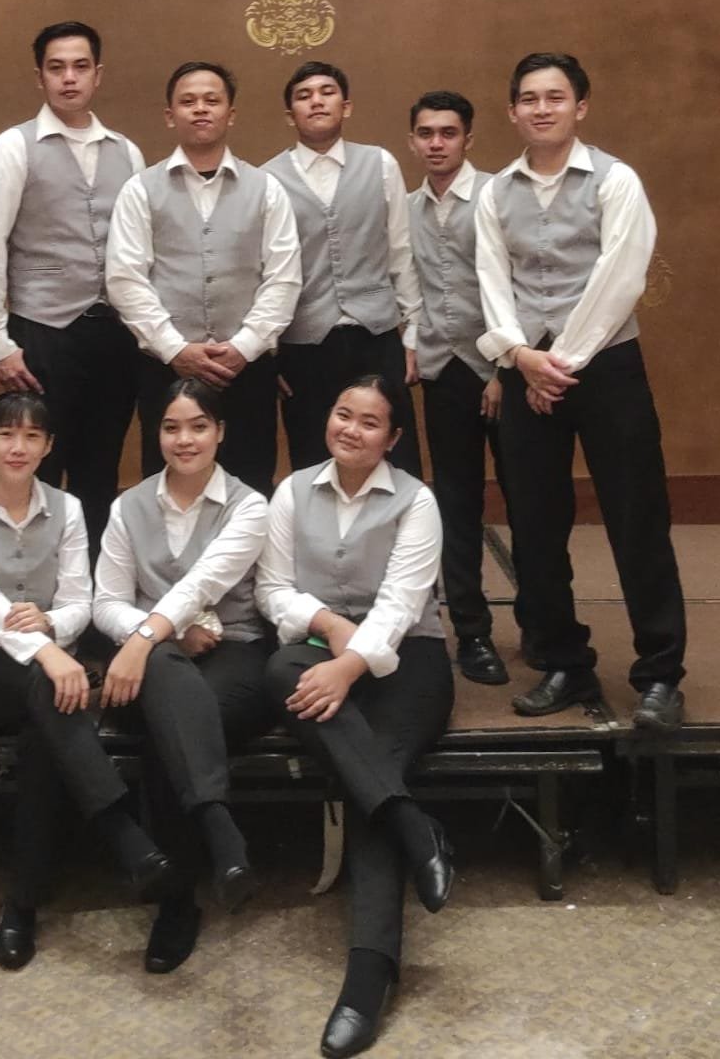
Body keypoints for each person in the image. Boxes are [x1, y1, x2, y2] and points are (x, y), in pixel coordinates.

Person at [0, 392, 176, 971]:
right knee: (49, 691)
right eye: (6, 434)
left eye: (32, 436)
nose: (18, 447)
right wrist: (50, 652)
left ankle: (22, 903)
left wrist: (53, 628)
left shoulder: (67, 508)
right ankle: (123, 834)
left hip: (46, 678)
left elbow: (79, 602)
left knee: (44, 732)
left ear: (48, 447)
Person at [475, 52, 686, 730]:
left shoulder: (615, 180)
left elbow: (621, 277)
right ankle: (564, 661)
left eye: (555, 97)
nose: (542, 109)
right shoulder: (494, 192)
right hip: (527, 363)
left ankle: (660, 675)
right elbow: (491, 281)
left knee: (636, 520)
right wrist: (519, 356)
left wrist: (557, 362)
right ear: (513, 112)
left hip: (606, 367)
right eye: (529, 99)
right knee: (536, 528)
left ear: (580, 107)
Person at [258, 375, 454, 1059]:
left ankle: (366, 980)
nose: (352, 429)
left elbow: (401, 606)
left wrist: (348, 665)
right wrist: (330, 631)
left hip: (409, 658)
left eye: (370, 422)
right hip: (319, 646)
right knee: (279, 668)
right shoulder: (291, 492)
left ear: (392, 438)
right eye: (343, 414)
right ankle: (415, 827)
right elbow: (273, 589)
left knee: (371, 773)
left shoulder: (417, 501)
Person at [94, 379, 270, 974]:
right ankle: (220, 834)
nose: (184, 439)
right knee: (169, 687)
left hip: (233, 652)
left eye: (198, 426)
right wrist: (160, 636)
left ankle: (175, 895)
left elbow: (205, 582)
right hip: (154, 662)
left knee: (173, 718)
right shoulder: (128, 506)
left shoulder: (249, 505)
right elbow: (105, 602)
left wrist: (145, 635)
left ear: (220, 431)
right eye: (171, 427)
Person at [0, 21, 144, 556]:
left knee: (101, 470)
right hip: (42, 332)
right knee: (35, 470)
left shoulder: (127, 152)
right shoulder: (12, 147)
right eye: (56, 67)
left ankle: (92, 594)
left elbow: (140, 252)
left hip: (114, 336)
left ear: (98, 75)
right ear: (39, 76)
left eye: (80, 67)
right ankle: (31, 592)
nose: (69, 78)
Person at [106, 61, 301, 498]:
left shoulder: (266, 188)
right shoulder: (140, 189)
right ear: (169, 115)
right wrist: (174, 348)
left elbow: (284, 278)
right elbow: (125, 278)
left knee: (250, 483)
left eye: (212, 100)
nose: (200, 109)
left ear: (230, 114)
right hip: (165, 367)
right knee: (167, 487)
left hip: (247, 370)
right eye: (188, 101)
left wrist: (244, 346)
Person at [408, 90, 523, 685]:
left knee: (528, 499)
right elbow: (406, 283)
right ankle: (472, 634)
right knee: (455, 504)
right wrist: (413, 343)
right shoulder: (406, 208)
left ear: (468, 139)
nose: (436, 143)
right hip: (443, 370)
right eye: (426, 133)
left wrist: (504, 369)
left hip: (503, 370)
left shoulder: (498, 196)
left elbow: (520, 285)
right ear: (413, 141)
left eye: (448, 133)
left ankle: (542, 624)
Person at [263, 61, 422, 476]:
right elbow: (263, 273)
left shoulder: (380, 164)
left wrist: (413, 333)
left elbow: (400, 252)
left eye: (327, 92)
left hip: (376, 335)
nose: (316, 101)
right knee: (313, 457)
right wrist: (268, 352)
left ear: (346, 106)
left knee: (394, 457)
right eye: (304, 96)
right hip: (304, 343)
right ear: (290, 115)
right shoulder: (267, 180)